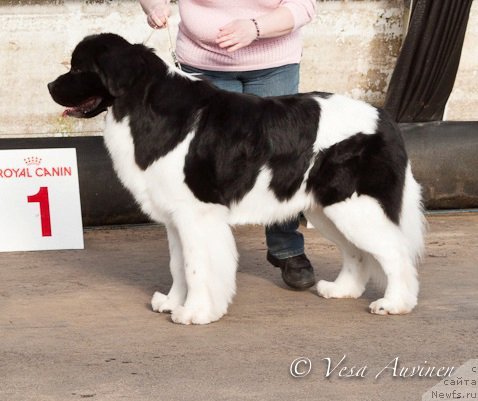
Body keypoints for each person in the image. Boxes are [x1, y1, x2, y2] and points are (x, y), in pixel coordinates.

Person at [139, 0, 317, 290]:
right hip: (202, 67)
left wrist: (255, 28)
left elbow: (305, 5)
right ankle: (207, 261)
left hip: (274, 66)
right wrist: (154, 6)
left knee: (282, 158)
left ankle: (287, 248)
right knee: (207, 169)